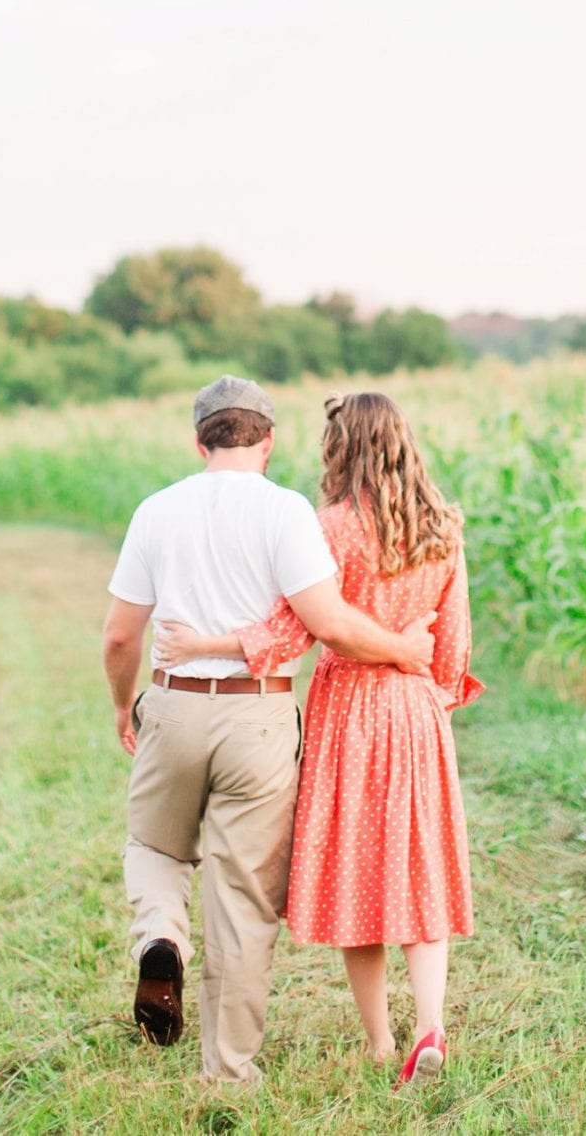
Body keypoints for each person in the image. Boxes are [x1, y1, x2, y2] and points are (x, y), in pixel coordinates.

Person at [101, 374, 437, 1084]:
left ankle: (161, 935)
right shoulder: (287, 513)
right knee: (244, 897)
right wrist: (406, 649)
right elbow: (330, 624)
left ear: (198, 440)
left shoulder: (156, 510)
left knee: (154, 844)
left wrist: (120, 704)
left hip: (174, 702)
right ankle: (227, 1071)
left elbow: (119, 637)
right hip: (257, 715)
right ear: (270, 440)